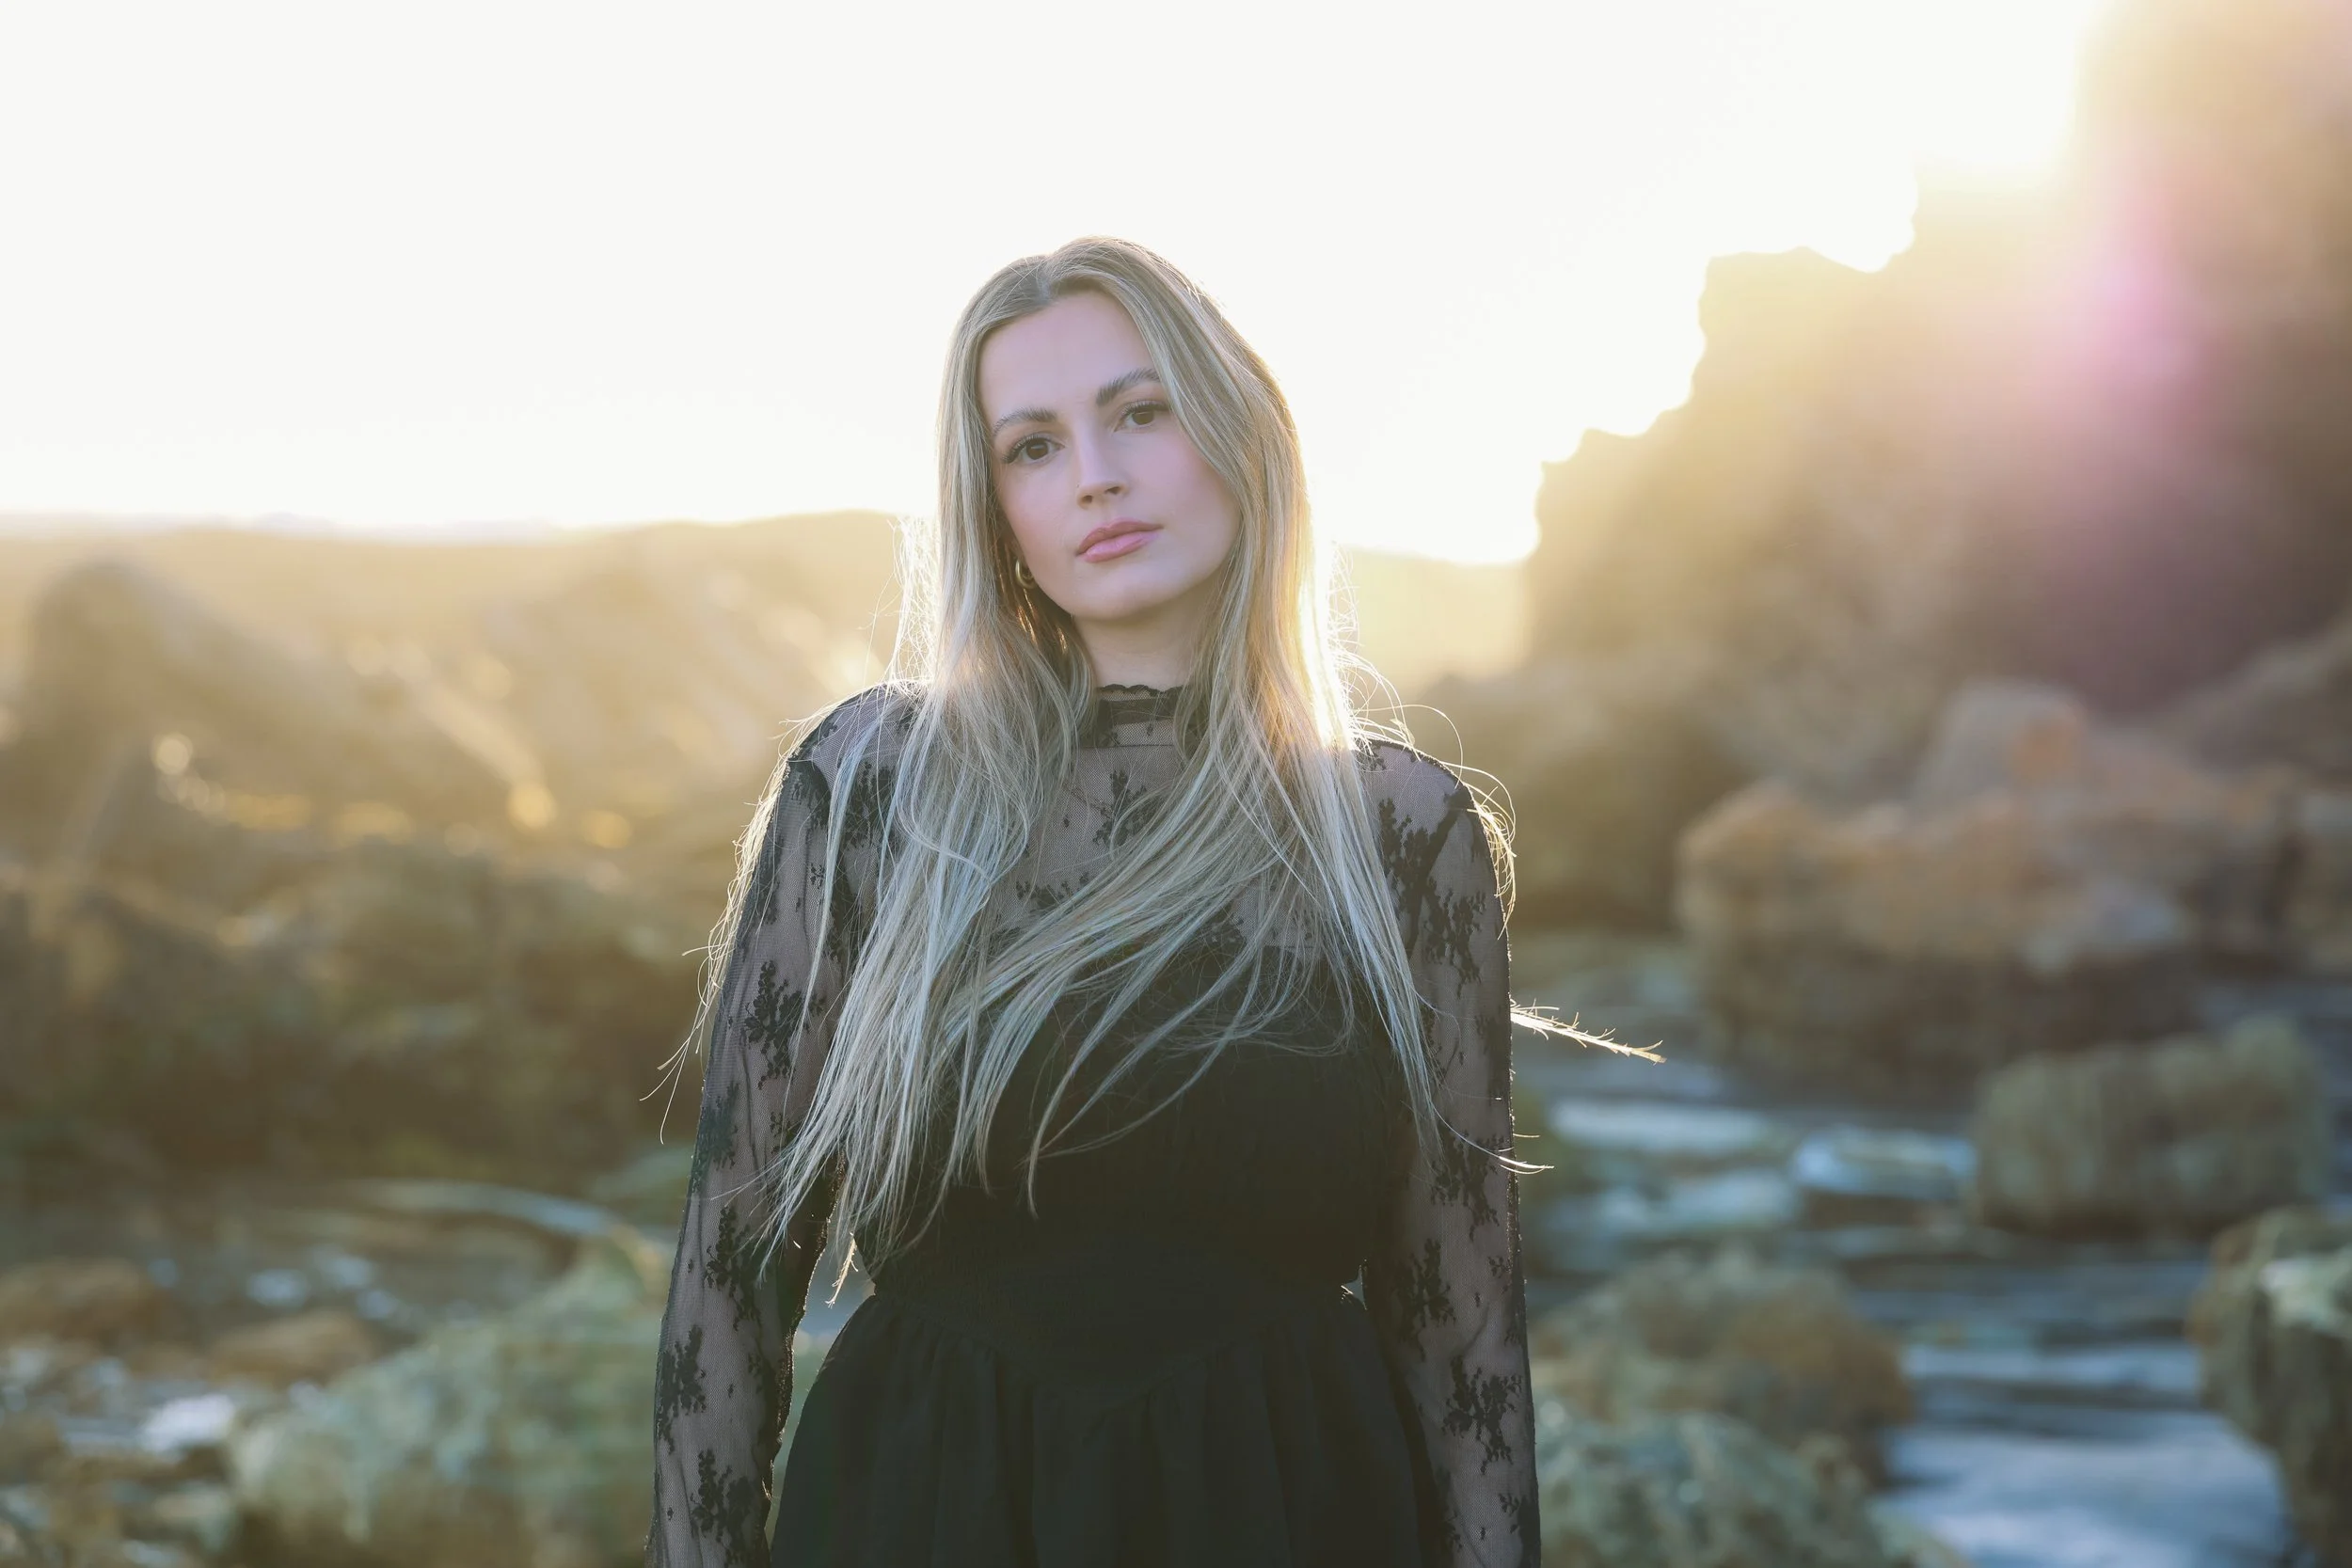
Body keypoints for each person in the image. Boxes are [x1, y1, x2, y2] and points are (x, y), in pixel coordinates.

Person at [644, 236, 1620, 1567]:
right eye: (1032, 446)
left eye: (1141, 412)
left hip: (1291, 1518)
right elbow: (731, 1267)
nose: (1093, 473)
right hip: (928, 1512)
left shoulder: (1394, 831)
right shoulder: (875, 788)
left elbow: (1460, 1325)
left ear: (1240, 433)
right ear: (993, 506)